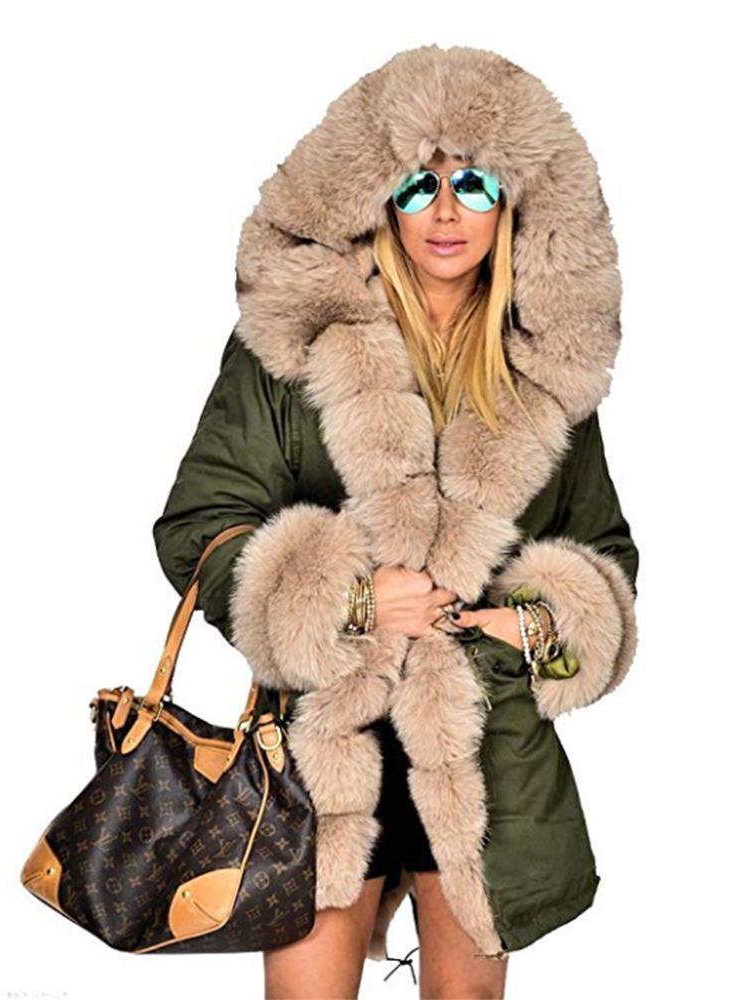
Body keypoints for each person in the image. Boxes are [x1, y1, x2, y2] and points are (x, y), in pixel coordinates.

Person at [153, 44, 640, 999]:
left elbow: (603, 549)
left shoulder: (546, 374)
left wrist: (538, 624)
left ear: (514, 203)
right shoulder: (294, 350)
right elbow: (199, 521)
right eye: (420, 185)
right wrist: (349, 603)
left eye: (475, 183)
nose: (447, 211)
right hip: (323, 742)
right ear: (380, 198)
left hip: (483, 746)